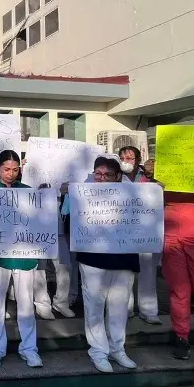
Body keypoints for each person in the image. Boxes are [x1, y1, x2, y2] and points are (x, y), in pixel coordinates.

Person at [145, 158, 194, 365]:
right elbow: (144, 193)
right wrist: (150, 174)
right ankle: (181, 337)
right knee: (179, 291)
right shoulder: (167, 163)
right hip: (172, 231)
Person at [71, 157, 141, 373]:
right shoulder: (82, 194)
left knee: (119, 306)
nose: (101, 179)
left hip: (123, 258)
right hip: (93, 259)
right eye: (97, 174)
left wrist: (155, 195)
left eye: (107, 175)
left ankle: (117, 349)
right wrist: (66, 196)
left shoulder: (133, 194)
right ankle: (98, 351)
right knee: (94, 306)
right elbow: (69, 221)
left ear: (118, 176)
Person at [0, 150, 44, 368]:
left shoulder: (29, 192)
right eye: (6, 169)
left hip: (24, 258)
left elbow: (39, 223)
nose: (11, 174)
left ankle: (29, 348)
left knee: (26, 303)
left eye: (15, 169)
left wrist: (45, 200)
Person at [119, 145, 161, 325]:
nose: (127, 162)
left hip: (146, 229)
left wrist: (153, 176)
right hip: (123, 229)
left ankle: (149, 310)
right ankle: (126, 308)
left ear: (138, 159)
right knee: (125, 270)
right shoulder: (116, 177)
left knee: (147, 270)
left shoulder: (149, 176)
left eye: (130, 158)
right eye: (123, 158)